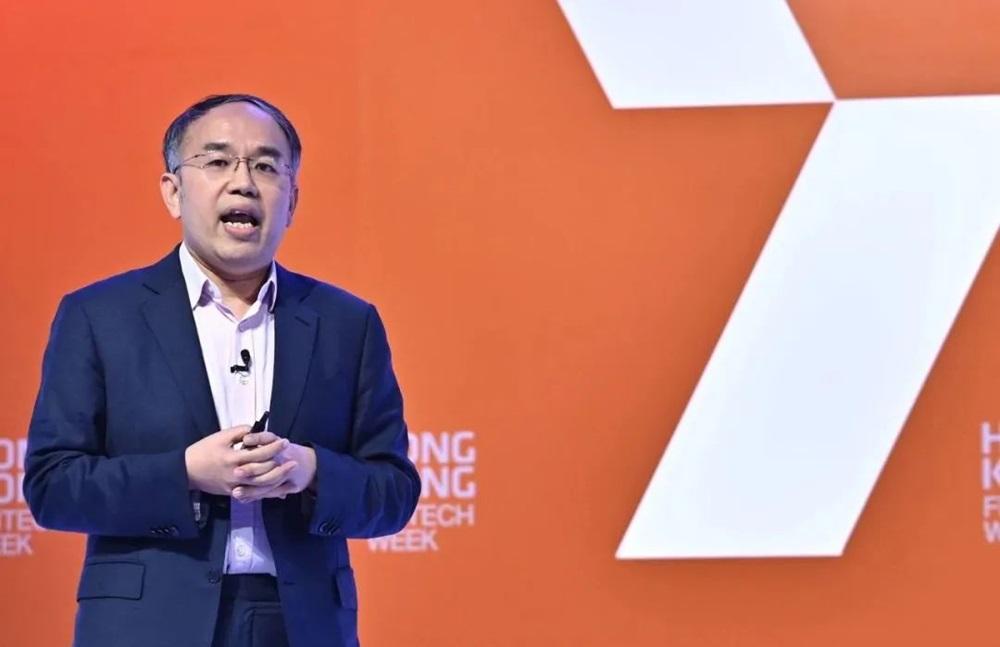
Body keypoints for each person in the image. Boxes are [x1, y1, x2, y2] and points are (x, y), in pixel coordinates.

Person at [23, 94, 419, 647]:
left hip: (300, 624)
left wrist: (309, 470)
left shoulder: (347, 323)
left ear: (293, 199)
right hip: (147, 625)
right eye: (217, 161)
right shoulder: (98, 316)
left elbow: (394, 492)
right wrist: (186, 472)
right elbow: (53, 486)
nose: (243, 183)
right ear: (173, 191)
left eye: (266, 166)